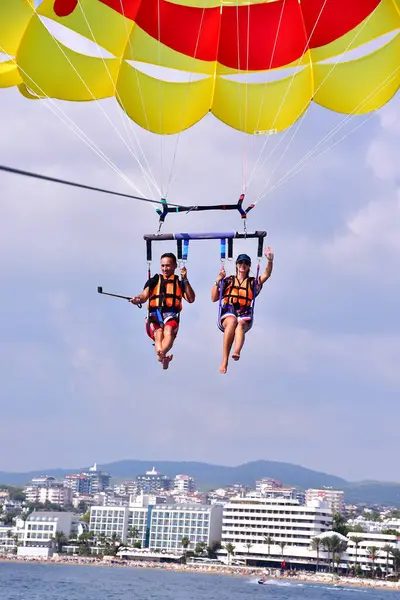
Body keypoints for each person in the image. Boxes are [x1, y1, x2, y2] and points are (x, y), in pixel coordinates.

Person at [211, 247, 274, 374]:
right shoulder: (228, 280)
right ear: (237, 265)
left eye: (245, 263)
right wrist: (218, 280)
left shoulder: (252, 283)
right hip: (228, 311)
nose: (243, 265)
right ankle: (224, 360)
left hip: (244, 313)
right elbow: (213, 298)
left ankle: (236, 351)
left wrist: (270, 261)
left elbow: (266, 274)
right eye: (240, 263)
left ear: (249, 266)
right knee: (232, 321)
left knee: (239, 326)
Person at [130, 253, 195, 370]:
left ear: (175, 266)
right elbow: (144, 296)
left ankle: (161, 355)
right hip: (154, 315)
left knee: (168, 330)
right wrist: (137, 299)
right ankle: (162, 357)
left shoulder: (179, 283)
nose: (165, 269)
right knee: (158, 333)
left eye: (168, 266)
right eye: (163, 266)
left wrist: (185, 279)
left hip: (171, 315)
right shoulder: (155, 280)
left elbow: (191, 299)